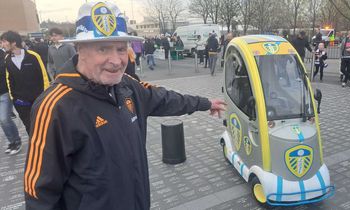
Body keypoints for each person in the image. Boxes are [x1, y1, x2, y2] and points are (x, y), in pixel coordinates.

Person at [23, 2, 226, 210]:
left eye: (121, 49)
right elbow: (39, 194)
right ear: (80, 49)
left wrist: (205, 103)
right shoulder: (55, 106)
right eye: (103, 48)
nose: (116, 60)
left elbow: (164, 98)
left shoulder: (127, 84)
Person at [1, 31, 50, 133]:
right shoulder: (7, 59)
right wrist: (14, 98)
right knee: (30, 127)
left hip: (38, 100)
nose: (2, 44)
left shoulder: (33, 56)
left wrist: (45, 97)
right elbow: (9, 79)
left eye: (4, 41)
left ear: (13, 42)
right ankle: (35, 147)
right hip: (21, 102)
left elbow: (44, 76)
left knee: (45, 125)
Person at [0, 40, 22, 155]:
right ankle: (12, 141)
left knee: (4, 119)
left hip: (4, 92)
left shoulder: (4, 56)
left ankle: (17, 141)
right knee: (2, 121)